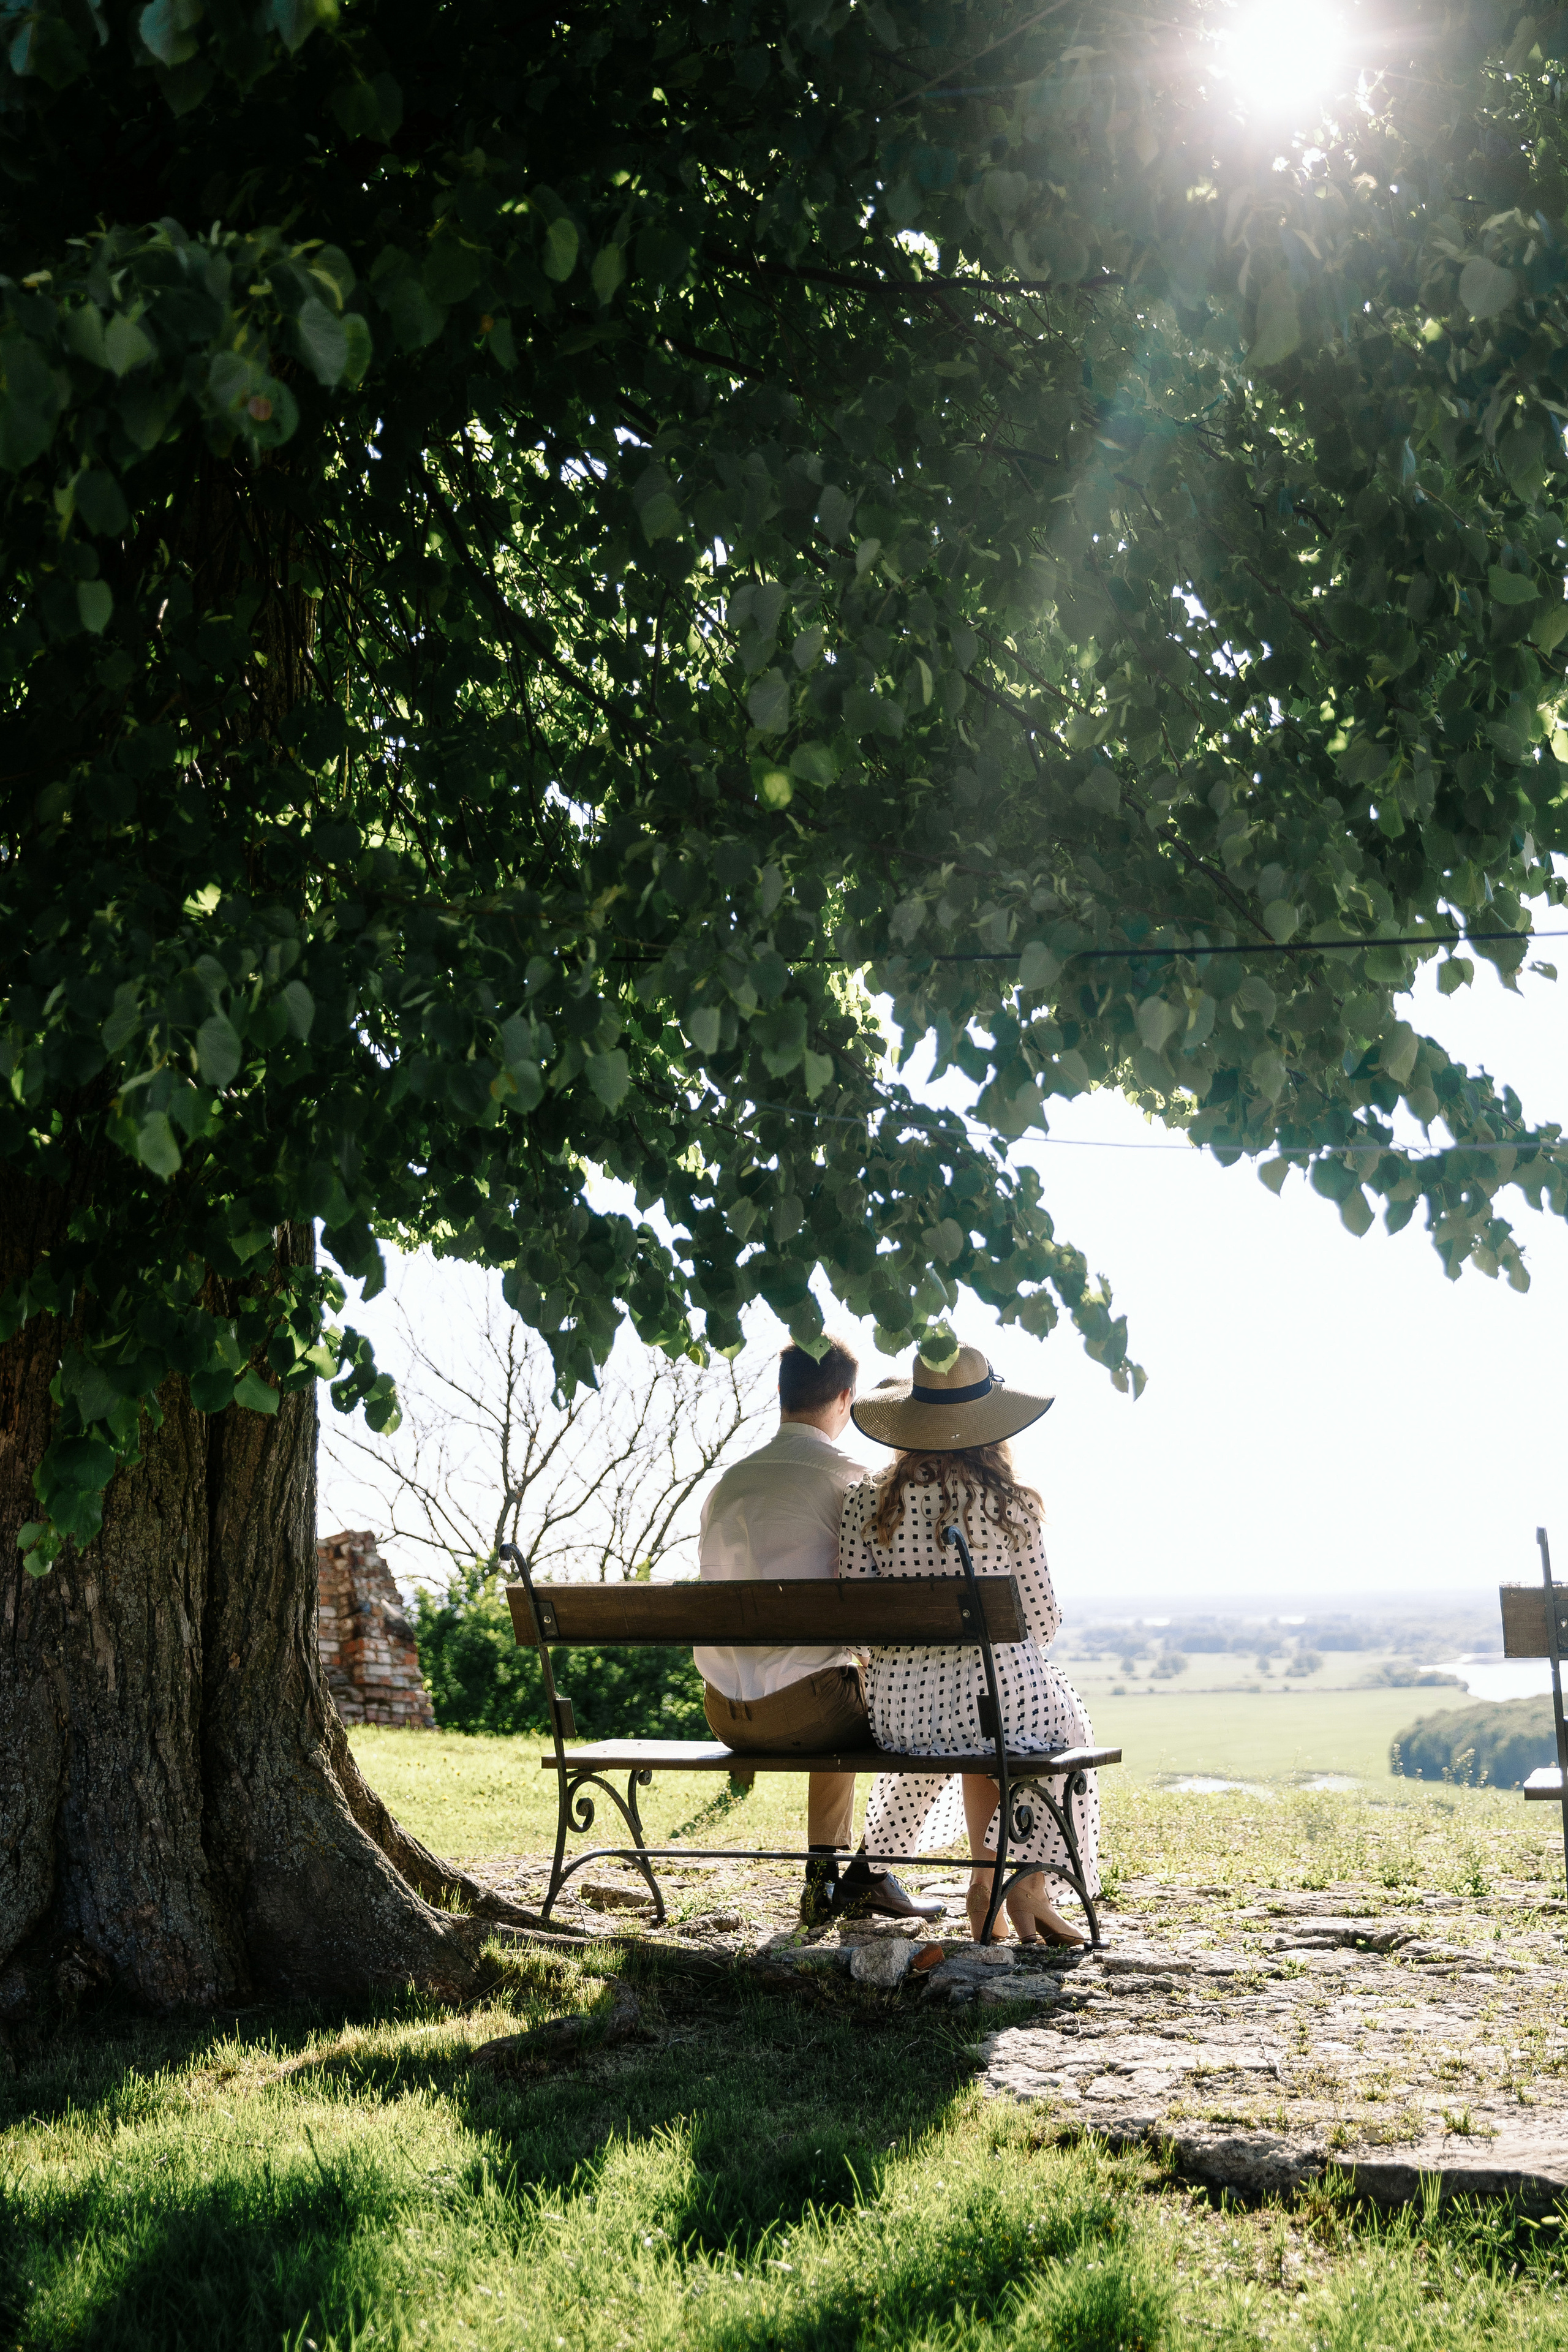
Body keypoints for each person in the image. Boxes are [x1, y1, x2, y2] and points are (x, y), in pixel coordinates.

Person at [839, 1338, 1099, 1947]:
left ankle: (988, 1891)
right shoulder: (1010, 1504)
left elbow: (855, 1619)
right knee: (1054, 1729)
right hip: (994, 1702)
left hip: (901, 1714)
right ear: (987, 1422)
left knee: (983, 1729)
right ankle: (1024, 1888)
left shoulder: (866, 1501)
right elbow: (1039, 1623)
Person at [695, 1336, 941, 1927]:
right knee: (870, 1699)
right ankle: (860, 1877)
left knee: (829, 1679)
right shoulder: (855, 1479)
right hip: (809, 1713)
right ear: (846, 1399)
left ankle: (825, 1881)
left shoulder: (727, 1485)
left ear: (779, 1392)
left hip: (724, 1709)